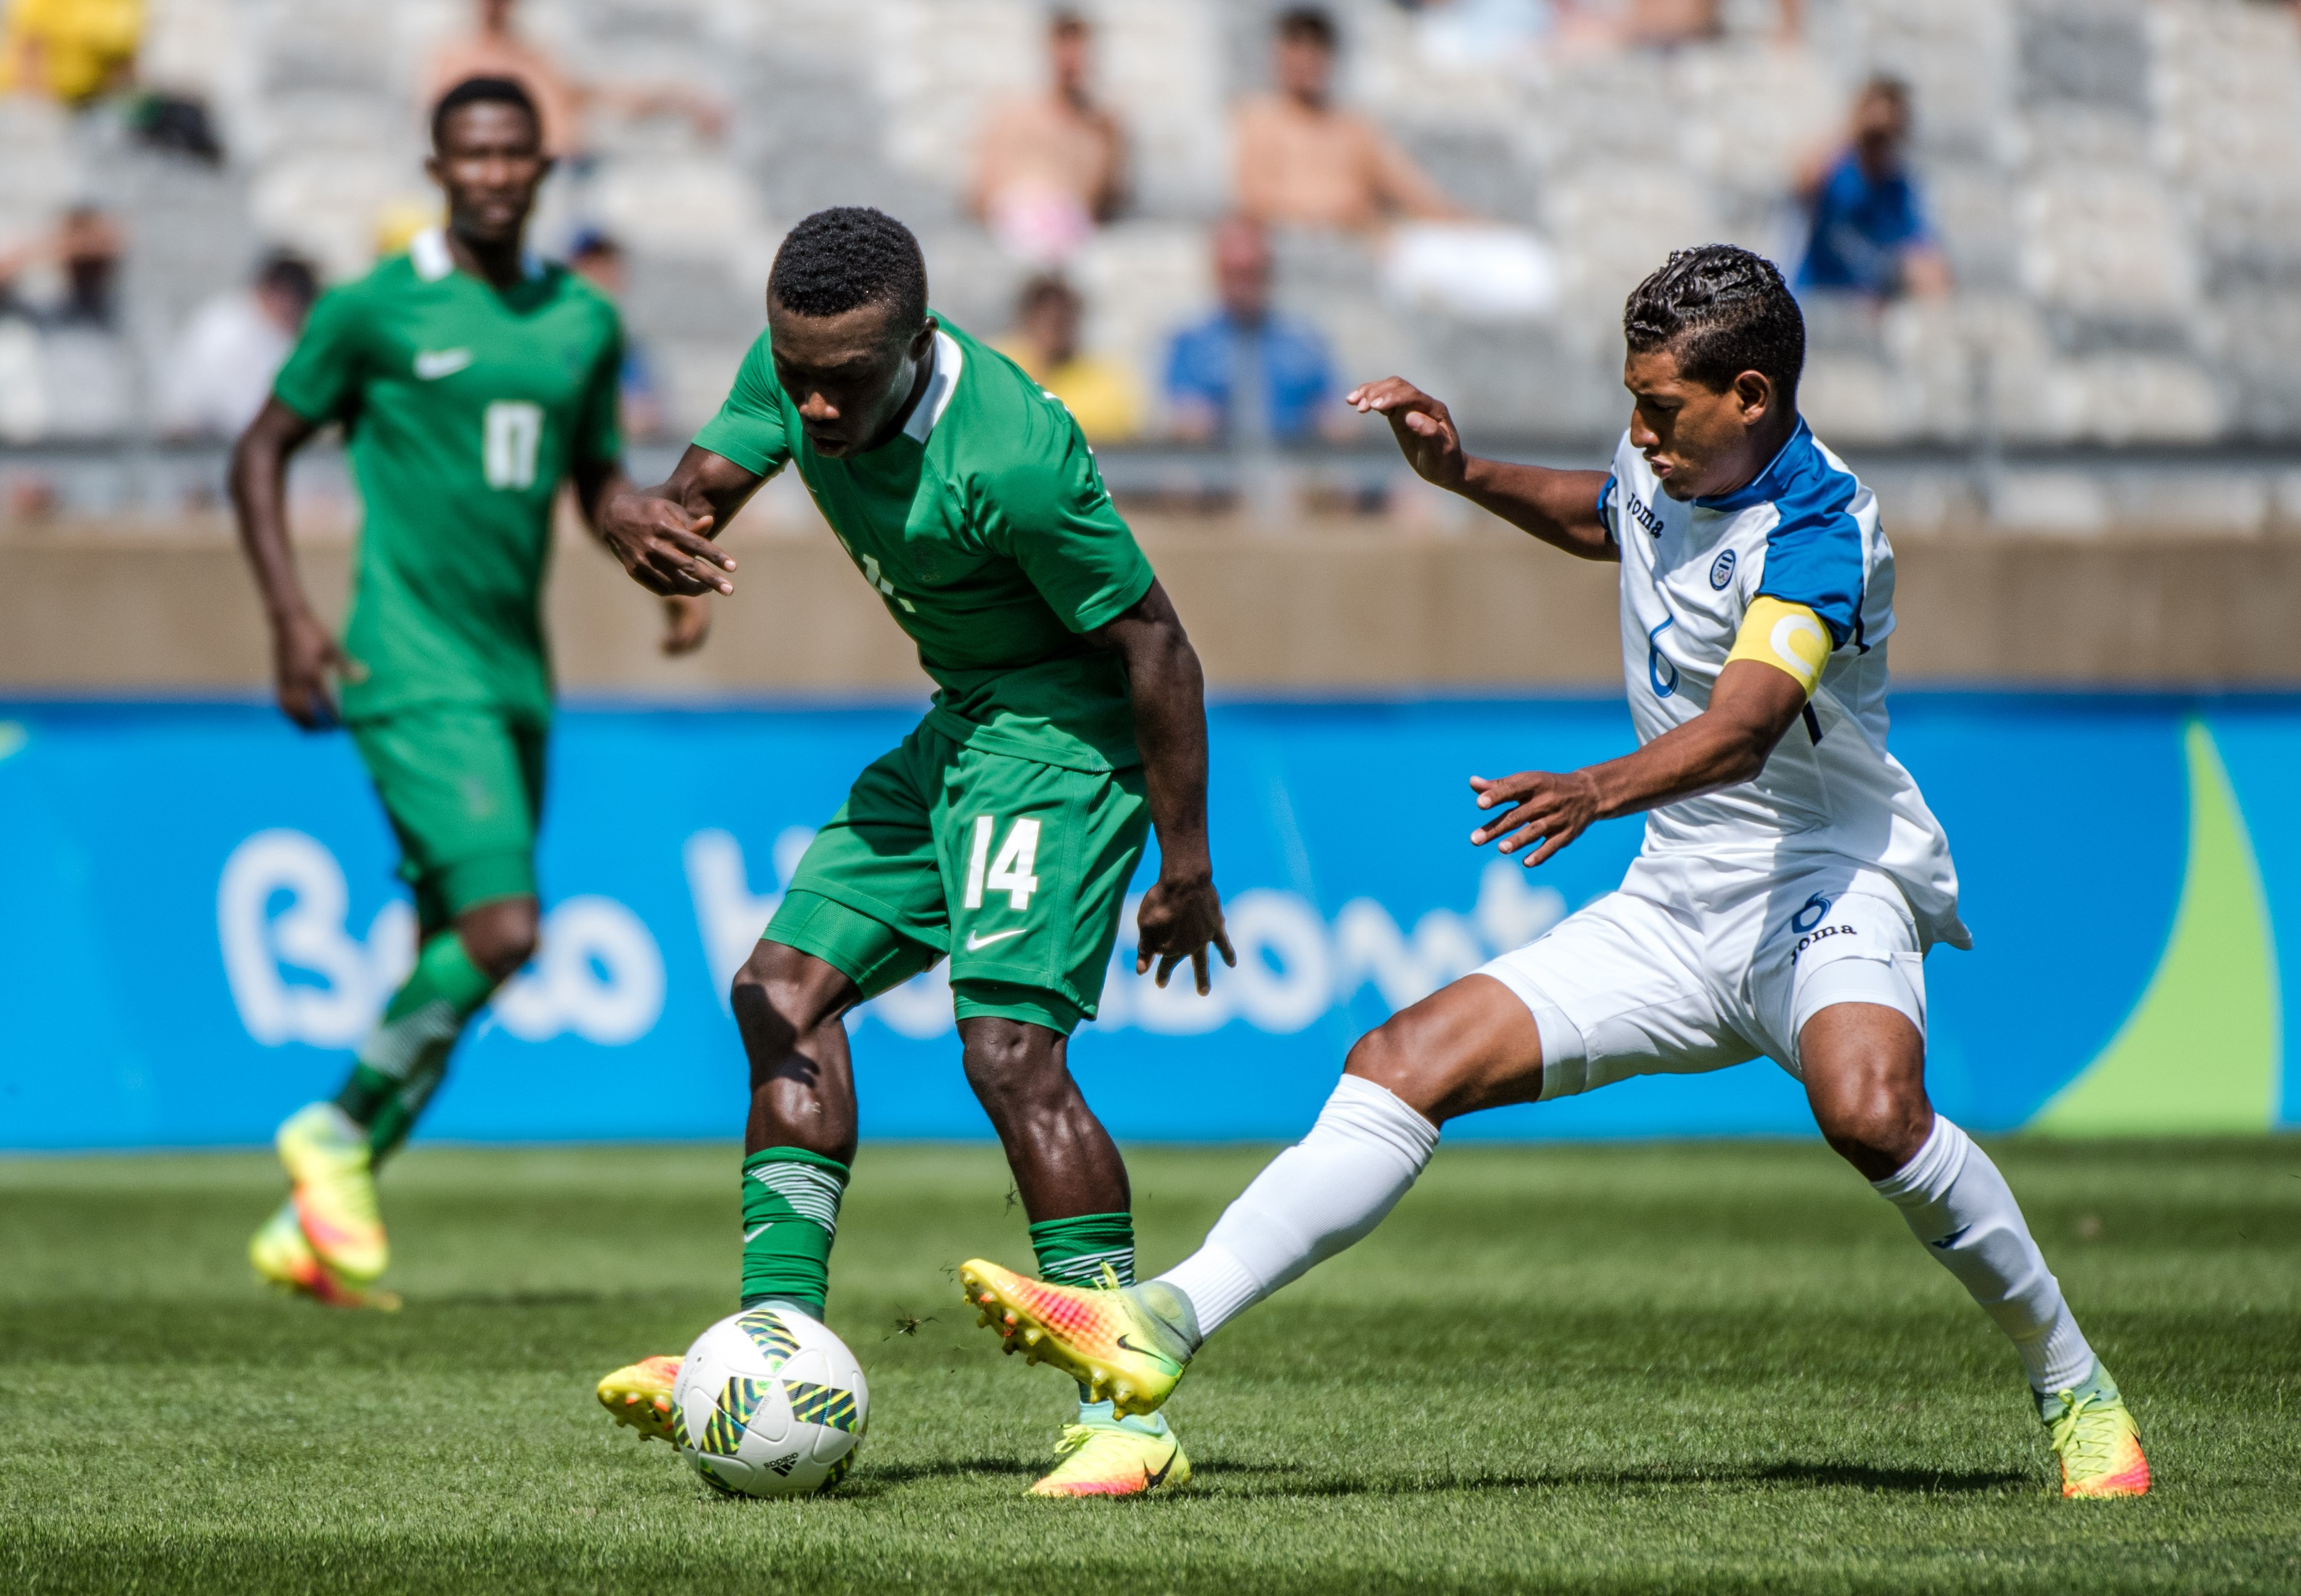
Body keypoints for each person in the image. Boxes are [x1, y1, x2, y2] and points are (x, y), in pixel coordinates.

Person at [956, 245, 2152, 1503]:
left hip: (1822, 882)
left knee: (1871, 1112)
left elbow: (1744, 727)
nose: (1638, 431)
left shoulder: (1818, 531)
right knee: (1398, 1061)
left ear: (1753, 395)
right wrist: (1463, 473)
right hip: (1676, 899)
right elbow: (1607, 515)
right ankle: (1161, 1326)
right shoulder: (1670, 459)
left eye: (1661, 408)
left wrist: (1594, 790)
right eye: (1632, 400)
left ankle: (2077, 1391)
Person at [586, 205, 1233, 1499]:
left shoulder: (1012, 453)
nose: (814, 407)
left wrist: (1186, 862)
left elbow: (1157, 643)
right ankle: (773, 1339)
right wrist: (638, 531)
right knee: (779, 993)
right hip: (961, 728)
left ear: (916, 342)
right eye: (798, 373)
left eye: (845, 380)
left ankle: (1130, 1400)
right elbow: (693, 499)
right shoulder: (798, 367)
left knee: (1007, 1052)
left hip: (1059, 738)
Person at [231, 77, 708, 1312]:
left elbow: (593, 477)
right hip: (407, 659)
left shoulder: (579, 323)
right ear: (439, 170)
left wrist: (650, 553)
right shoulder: (374, 310)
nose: (495, 174)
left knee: (458, 948)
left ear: (543, 166)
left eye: (515, 155)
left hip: (514, 674)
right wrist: (292, 617)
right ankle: (333, 1139)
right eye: (473, 156)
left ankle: (315, 1219)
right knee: (506, 930)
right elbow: (260, 449)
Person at [1233, 7, 1462, 234]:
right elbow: (1256, 200)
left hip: (1365, 249)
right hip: (1293, 252)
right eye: (1296, 48)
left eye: (1314, 49)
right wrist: (1341, 211)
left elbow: (1412, 193)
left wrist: (1461, 219)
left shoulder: (1353, 128)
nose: (1305, 60)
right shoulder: (1260, 120)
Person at [421, 0, 721, 162]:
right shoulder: (456, 58)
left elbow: (607, 96)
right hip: (522, 185)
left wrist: (681, 99)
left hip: (567, 173)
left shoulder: (539, 56)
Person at [970, 9, 1126, 264]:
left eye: (1078, 46)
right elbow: (980, 194)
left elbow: (1108, 200)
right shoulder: (1012, 116)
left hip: (1074, 242)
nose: (1071, 58)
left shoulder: (1104, 127)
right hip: (1012, 240)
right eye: (1063, 44)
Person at [1163, 215, 1339, 444]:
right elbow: (1180, 413)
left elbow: (1335, 410)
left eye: (1252, 272)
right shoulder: (1189, 341)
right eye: (1234, 273)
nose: (1243, 286)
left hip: (1297, 461)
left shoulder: (1303, 339)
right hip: (1217, 464)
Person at [1795, 76, 1950, 302]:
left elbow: (1929, 262)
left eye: (1888, 137)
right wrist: (1852, 128)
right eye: (1873, 138)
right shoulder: (1836, 173)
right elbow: (1801, 178)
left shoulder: (1901, 191)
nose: (1879, 146)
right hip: (1819, 300)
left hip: (1867, 314)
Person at [158, 251, 318, 440]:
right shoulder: (224, 329)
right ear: (282, 295)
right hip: (198, 445)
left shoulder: (278, 333)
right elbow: (236, 412)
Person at [995, 273, 1139, 443]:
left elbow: (1118, 434)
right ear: (1027, 318)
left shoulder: (1104, 377)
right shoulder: (997, 364)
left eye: (1060, 321)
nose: (1052, 329)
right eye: (1044, 318)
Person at [566, 229, 666, 442]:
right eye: (593, 264)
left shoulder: (627, 341)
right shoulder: (556, 334)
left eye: (610, 263)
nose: (604, 273)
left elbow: (648, 415)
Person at [0, 0, 140, 104]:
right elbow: (28, 56)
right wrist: (37, 110)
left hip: (92, 99)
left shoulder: (125, 5)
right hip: (42, 95)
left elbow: (123, 60)